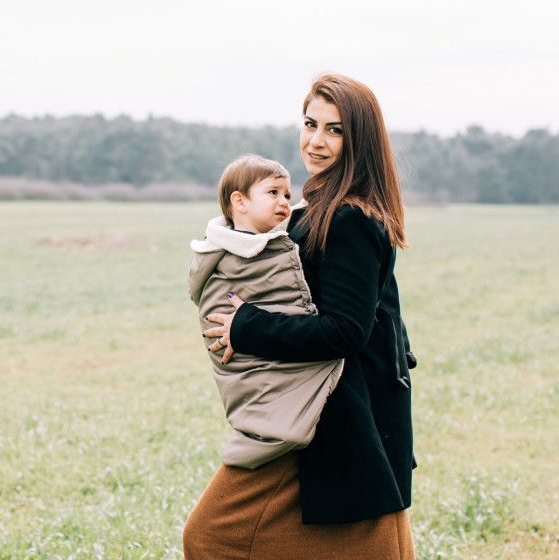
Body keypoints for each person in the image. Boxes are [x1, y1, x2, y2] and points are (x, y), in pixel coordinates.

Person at [183, 74, 417, 560]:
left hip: (330, 414)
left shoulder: (349, 217)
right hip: (321, 408)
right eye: (310, 123)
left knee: (211, 536)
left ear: (359, 141)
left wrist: (246, 326)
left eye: (334, 130)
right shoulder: (316, 210)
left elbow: (346, 330)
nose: (315, 140)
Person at [188, 154, 343, 469]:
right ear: (240, 202)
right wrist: (245, 327)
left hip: (273, 346)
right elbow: (219, 303)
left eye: (287, 194)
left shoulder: (274, 242)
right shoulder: (232, 254)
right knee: (282, 424)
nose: (284, 201)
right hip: (246, 358)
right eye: (273, 193)